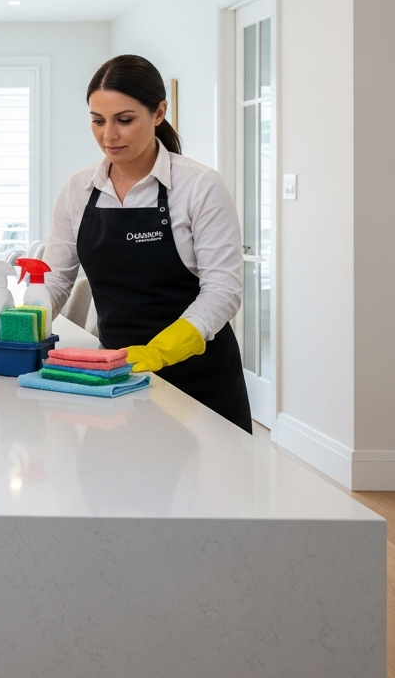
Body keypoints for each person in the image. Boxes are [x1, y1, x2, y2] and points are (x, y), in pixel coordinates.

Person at [43, 54, 251, 432]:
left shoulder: (199, 186)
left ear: (158, 113)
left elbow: (223, 291)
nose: (109, 135)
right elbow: (57, 280)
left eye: (124, 120)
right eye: (98, 120)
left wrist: (158, 352)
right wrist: (18, 324)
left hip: (199, 382)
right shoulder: (78, 190)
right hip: (117, 378)